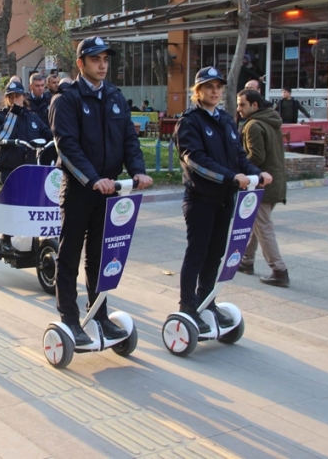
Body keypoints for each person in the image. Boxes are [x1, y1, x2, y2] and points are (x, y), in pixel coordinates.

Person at [49, 37, 152, 345]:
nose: (103, 64)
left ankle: (99, 315)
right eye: (95, 59)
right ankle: (69, 318)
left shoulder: (115, 97)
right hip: (82, 189)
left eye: (106, 59)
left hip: (110, 191)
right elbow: (66, 147)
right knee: (69, 255)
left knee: (100, 254)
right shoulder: (66, 100)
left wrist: (138, 170)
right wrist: (93, 178)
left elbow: (129, 141)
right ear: (81, 64)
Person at [174, 66, 272, 333]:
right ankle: (187, 307)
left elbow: (238, 155)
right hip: (200, 199)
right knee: (197, 253)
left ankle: (207, 301)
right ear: (198, 91)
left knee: (216, 254)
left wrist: (255, 173)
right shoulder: (190, 122)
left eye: (218, 87)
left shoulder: (226, 120)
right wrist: (232, 177)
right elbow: (196, 161)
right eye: (209, 87)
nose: (215, 91)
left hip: (225, 199)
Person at [236, 89, 289, 287]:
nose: (239, 109)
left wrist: (238, 171)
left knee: (263, 227)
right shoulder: (270, 121)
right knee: (255, 224)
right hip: (275, 182)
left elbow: (256, 157)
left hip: (262, 184)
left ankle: (279, 270)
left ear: (254, 105)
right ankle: (246, 261)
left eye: (242, 104)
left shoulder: (254, 125)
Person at [0, 79, 52, 184]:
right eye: (11, 97)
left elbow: (48, 134)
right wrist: (14, 112)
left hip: (30, 167)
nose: (14, 99)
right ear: (6, 99)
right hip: (8, 168)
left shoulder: (32, 117)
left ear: (24, 97)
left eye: (17, 96)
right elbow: (2, 137)